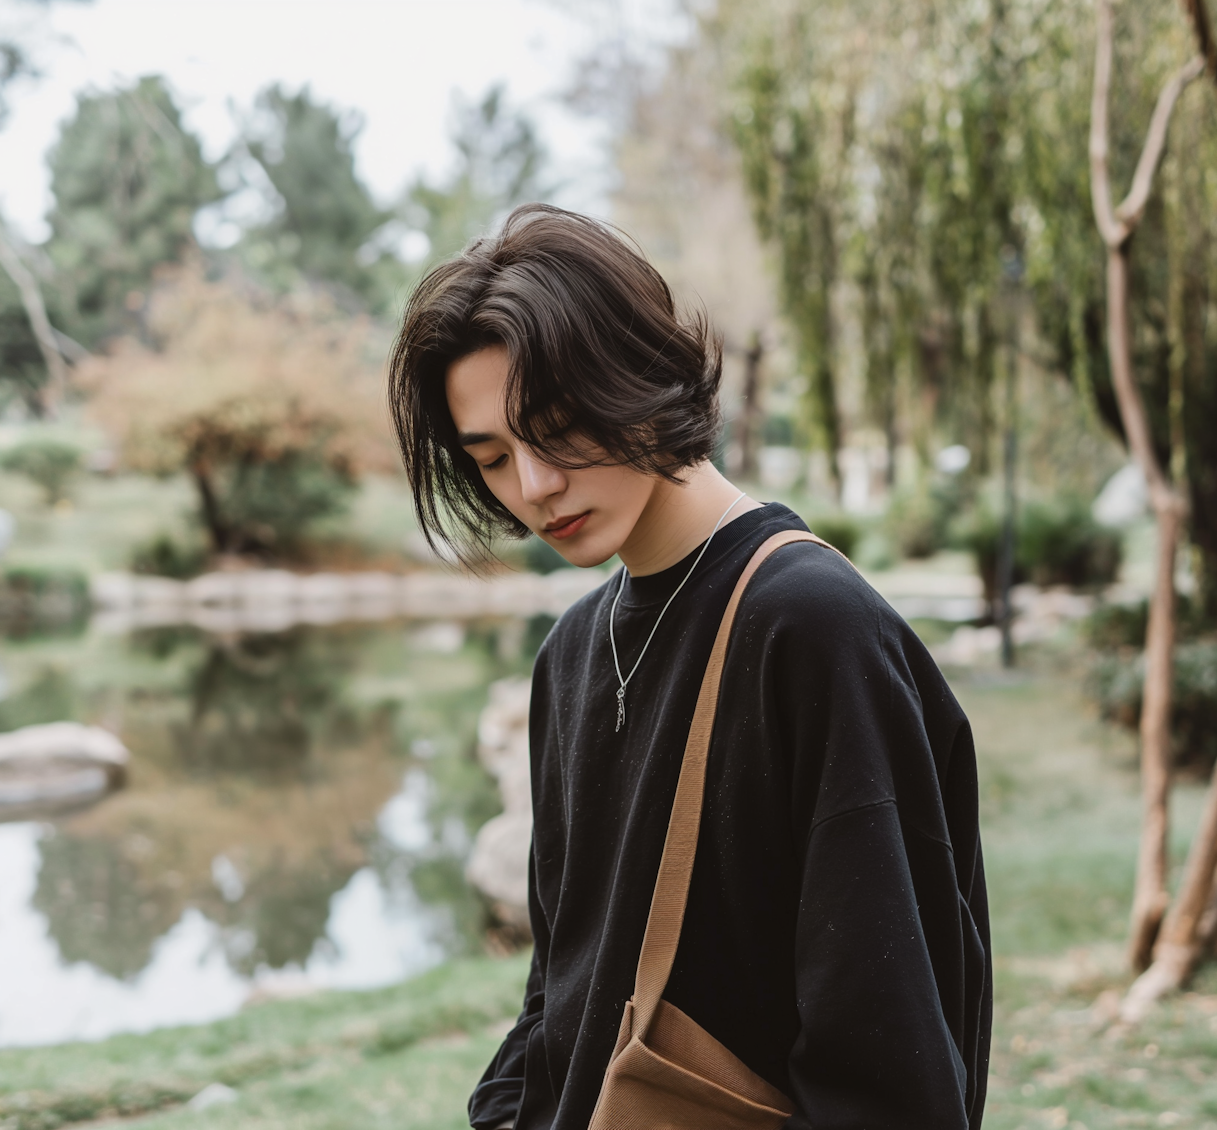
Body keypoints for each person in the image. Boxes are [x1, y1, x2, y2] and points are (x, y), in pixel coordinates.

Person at [389, 203, 991, 1130]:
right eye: (494, 457)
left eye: (556, 428)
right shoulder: (571, 657)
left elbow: (890, 1047)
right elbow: (558, 990)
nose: (535, 486)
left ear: (636, 376)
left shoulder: (811, 630)